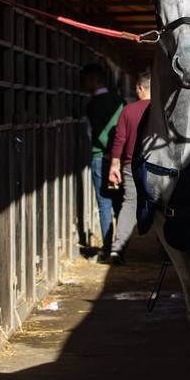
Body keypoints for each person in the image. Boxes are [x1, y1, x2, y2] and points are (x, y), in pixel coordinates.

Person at [105, 70, 152, 262]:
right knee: (163, 206)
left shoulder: (128, 110)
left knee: (130, 203)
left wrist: (114, 163)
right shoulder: (161, 108)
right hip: (157, 165)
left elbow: (120, 138)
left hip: (131, 164)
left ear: (140, 88)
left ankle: (117, 249)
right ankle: (169, 252)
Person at [82, 64, 124, 259]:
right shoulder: (119, 100)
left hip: (101, 156)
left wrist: (108, 152)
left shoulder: (93, 104)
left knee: (104, 203)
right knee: (120, 204)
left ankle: (107, 248)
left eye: (86, 80)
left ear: (93, 79)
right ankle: (120, 246)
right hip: (120, 159)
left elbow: (99, 132)